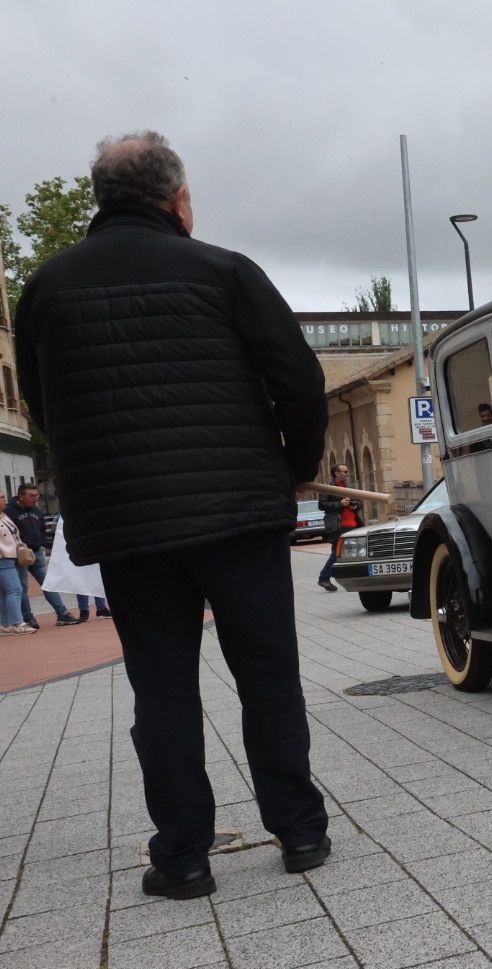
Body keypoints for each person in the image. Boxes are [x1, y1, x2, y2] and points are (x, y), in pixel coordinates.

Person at [16, 131, 331, 900]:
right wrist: (288, 472)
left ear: (101, 200)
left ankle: (185, 856)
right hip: (238, 514)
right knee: (268, 676)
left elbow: (40, 403)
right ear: (178, 199)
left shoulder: (47, 290)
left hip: (130, 525)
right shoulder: (224, 271)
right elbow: (300, 380)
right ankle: (299, 832)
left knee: (161, 688)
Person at [5, 484, 79, 627]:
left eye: (36, 495)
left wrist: (43, 542)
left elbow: (42, 530)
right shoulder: (10, 512)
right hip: (20, 554)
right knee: (22, 587)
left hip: (37, 552)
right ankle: (28, 617)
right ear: (21, 496)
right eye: (31, 496)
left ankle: (62, 613)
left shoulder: (37, 511)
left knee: (48, 583)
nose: (35, 498)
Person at [316, 463, 363, 591]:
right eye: (345, 472)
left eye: (347, 472)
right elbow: (322, 505)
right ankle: (324, 577)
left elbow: (360, 502)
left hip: (354, 524)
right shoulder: (328, 488)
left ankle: (327, 578)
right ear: (336, 473)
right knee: (338, 554)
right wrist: (340, 504)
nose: (347, 474)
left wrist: (355, 505)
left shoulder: (349, 487)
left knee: (346, 553)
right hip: (338, 525)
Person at [0, 510, 36, 635]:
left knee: (5, 592)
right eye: (1, 497)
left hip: (11, 556)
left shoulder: (4, 516)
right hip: (3, 558)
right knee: (14, 590)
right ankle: (17, 622)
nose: (3, 500)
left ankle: (5, 624)